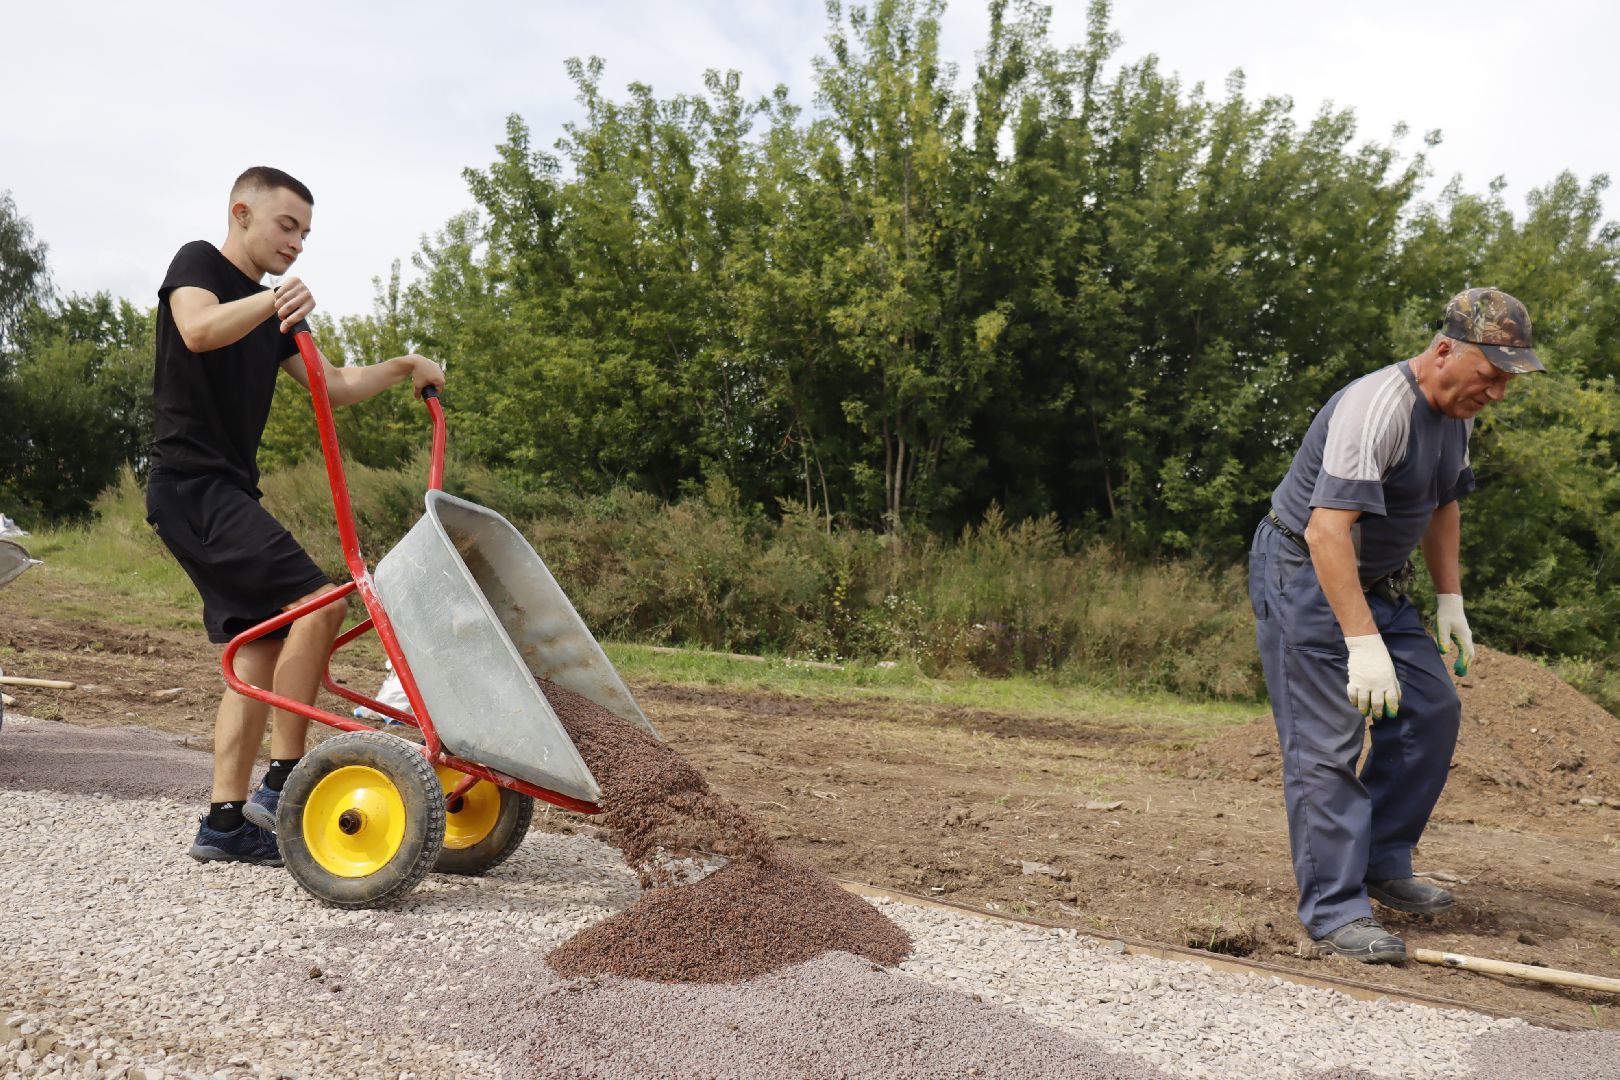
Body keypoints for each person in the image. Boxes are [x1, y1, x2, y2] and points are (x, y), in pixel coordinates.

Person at [146, 166, 445, 866]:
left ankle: (224, 824)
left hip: (221, 491)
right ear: (242, 212)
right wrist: (271, 302)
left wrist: (403, 365)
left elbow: (331, 384)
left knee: (257, 648)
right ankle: (284, 781)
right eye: (287, 226)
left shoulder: (271, 310)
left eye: (306, 233)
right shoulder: (200, 264)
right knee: (320, 601)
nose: (297, 243)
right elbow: (197, 329)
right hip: (192, 485)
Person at [1248, 287, 1543, 963]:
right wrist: (1362, 644)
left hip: (1378, 579)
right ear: (1444, 351)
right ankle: (1334, 911)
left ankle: (1381, 859)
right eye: (1490, 375)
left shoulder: (1458, 412)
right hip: (1304, 571)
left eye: (1508, 381)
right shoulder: (1377, 407)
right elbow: (1325, 532)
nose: (1497, 393)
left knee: (1432, 709)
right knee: (1327, 741)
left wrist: (1450, 600)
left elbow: (1443, 504)